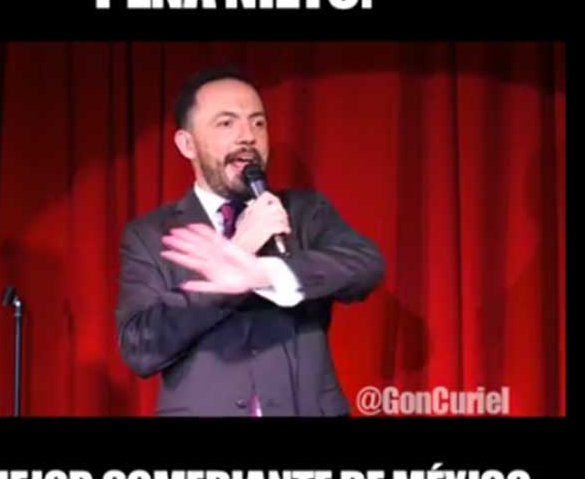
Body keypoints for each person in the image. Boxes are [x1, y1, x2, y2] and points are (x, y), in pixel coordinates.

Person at [115, 66, 385, 416]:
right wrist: (236, 252)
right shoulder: (150, 235)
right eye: (226, 123)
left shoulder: (303, 211)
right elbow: (140, 348)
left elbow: (365, 265)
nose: (248, 136)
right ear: (187, 144)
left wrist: (263, 273)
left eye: (258, 123)